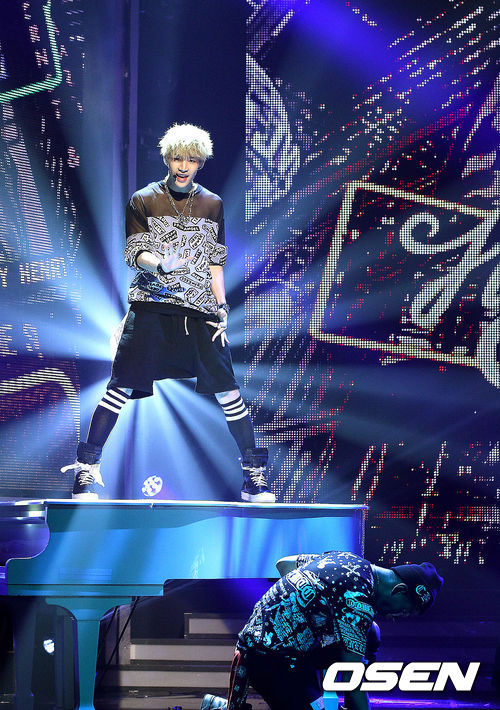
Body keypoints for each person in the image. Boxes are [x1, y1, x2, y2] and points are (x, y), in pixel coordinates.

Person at [62, 123, 275, 503]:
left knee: (229, 392)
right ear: (167, 158)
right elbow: (135, 252)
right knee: (119, 387)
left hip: (200, 312)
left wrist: (222, 307)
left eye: (191, 159)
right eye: (178, 158)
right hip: (151, 307)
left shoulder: (212, 204)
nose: (184, 166)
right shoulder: (144, 199)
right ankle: (86, 471)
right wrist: (160, 264)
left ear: (200, 163)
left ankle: (253, 477)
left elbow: (215, 263)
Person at [202, 550, 443, 710]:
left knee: (371, 633)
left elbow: (284, 564)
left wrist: (298, 609)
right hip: (270, 660)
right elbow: (351, 678)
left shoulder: (345, 558)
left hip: (283, 652)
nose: (396, 617)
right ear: (399, 590)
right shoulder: (359, 602)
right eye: (405, 611)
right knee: (363, 639)